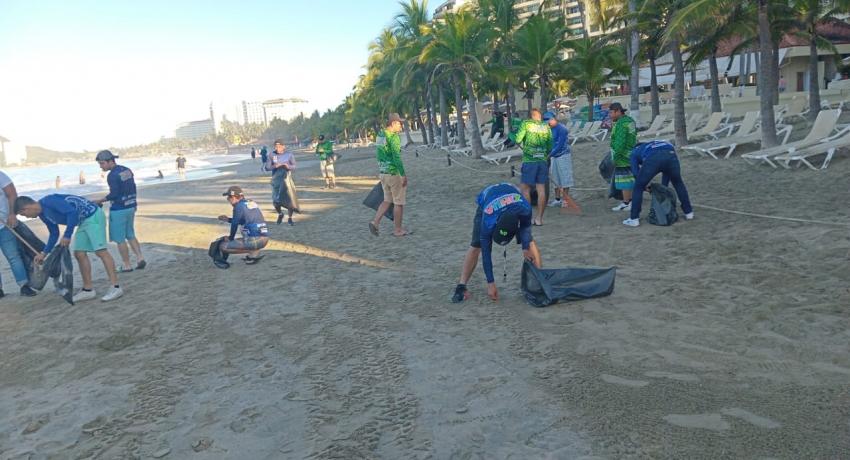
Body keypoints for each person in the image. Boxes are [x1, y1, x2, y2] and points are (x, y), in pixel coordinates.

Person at [15, 194, 123, 302]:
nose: (26, 217)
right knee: (79, 254)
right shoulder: (43, 214)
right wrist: (44, 253)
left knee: (100, 251)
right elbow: (54, 233)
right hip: (83, 221)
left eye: (23, 215)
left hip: (93, 215)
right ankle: (88, 289)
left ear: (26, 208)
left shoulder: (49, 201)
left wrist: (67, 235)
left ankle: (115, 287)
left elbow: (72, 213)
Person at [451, 183, 542, 303]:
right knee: (476, 245)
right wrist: (490, 283)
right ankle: (461, 286)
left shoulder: (525, 209)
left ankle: (540, 280)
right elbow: (486, 252)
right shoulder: (488, 220)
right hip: (489, 198)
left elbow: (525, 228)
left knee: (529, 241)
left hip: (514, 200)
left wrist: (525, 247)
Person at [92, 150, 147, 272]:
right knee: (130, 234)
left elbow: (114, 194)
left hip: (119, 209)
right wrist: (134, 202)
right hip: (130, 206)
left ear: (110, 161)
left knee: (120, 239)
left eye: (102, 163)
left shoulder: (112, 175)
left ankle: (127, 265)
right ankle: (140, 258)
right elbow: (133, 187)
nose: (101, 166)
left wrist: (100, 200)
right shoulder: (126, 170)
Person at [623, 141, 694, 227]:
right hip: (670, 155)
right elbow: (666, 171)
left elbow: (635, 173)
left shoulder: (634, 152)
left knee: (638, 187)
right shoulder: (661, 143)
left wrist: (644, 186)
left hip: (653, 158)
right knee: (678, 183)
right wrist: (662, 189)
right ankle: (689, 213)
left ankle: (634, 218)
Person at [369, 113, 409, 237]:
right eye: (399, 124)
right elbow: (396, 157)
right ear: (393, 123)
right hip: (393, 173)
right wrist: (402, 174)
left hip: (383, 172)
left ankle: (375, 222)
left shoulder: (380, 135)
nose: (401, 126)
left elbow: (379, 154)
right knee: (398, 202)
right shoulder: (393, 137)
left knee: (387, 200)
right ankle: (398, 230)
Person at [0, 171, 37, 297]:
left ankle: (24, 286)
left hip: (5, 224)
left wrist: (12, 214)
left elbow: (12, 194)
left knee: (13, 256)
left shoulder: (0, 175)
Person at [515, 108, 552, 226]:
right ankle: (539, 218)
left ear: (531, 116)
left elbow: (517, 139)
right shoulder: (546, 126)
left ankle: (529, 217)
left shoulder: (526, 124)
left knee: (525, 188)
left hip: (530, 161)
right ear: (539, 116)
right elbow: (550, 146)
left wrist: (523, 145)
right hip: (542, 160)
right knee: (541, 189)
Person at [217, 186, 269, 264]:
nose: (228, 200)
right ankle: (253, 252)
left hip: (255, 240)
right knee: (242, 237)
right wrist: (228, 219)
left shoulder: (238, 206)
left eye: (229, 198)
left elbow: (235, 224)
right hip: (264, 239)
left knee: (223, 246)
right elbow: (244, 221)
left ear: (233, 197)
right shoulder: (250, 202)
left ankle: (253, 251)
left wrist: (230, 238)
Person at [543, 112, 578, 211]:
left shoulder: (562, 129)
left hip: (563, 156)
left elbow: (560, 145)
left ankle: (565, 200)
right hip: (553, 157)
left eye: (549, 120)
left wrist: (549, 155)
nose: (547, 122)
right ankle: (557, 199)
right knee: (555, 177)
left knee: (565, 178)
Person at [608, 102, 637, 212]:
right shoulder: (630, 121)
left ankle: (626, 203)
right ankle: (630, 201)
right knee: (630, 178)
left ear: (618, 111)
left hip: (623, 156)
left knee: (625, 181)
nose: (610, 115)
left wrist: (615, 158)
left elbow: (619, 144)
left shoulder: (621, 124)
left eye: (611, 113)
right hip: (632, 153)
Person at [269, 139, 298, 225]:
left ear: (283, 146)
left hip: (287, 179)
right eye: (276, 146)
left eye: (279, 146)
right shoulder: (271, 155)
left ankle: (290, 218)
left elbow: (294, 166)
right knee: (275, 201)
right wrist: (275, 166)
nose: (277, 148)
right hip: (276, 180)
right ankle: (280, 214)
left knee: (290, 199)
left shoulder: (289, 155)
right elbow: (267, 167)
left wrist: (287, 166)